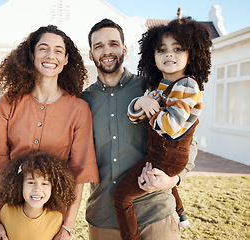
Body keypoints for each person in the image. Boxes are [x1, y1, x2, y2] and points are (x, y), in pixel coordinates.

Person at [0, 25, 99, 240]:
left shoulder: (78, 109)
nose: (51, 56)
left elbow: (80, 173)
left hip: (53, 218)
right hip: (9, 214)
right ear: (31, 54)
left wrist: (68, 228)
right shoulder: (8, 102)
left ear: (66, 59)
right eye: (43, 48)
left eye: (58, 50)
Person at [82, 18, 197, 240]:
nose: (107, 51)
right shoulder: (83, 101)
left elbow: (188, 140)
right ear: (91, 54)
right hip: (103, 220)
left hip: (156, 216)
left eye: (113, 44)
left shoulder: (151, 89)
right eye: (99, 46)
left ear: (124, 49)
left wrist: (174, 180)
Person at [112, 17, 212, 240]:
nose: (169, 54)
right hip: (159, 152)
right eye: (162, 50)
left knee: (120, 197)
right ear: (153, 56)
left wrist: (153, 108)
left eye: (178, 49)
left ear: (190, 54)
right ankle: (181, 213)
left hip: (168, 155)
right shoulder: (160, 86)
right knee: (157, 173)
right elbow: (133, 118)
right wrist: (141, 103)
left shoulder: (187, 85)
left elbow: (170, 127)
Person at [0, 151, 76, 240]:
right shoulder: (6, 212)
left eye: (44, 184)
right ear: (20, 184)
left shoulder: (57, 219)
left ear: (53, 188)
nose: (37, 188)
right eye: (31, 182)